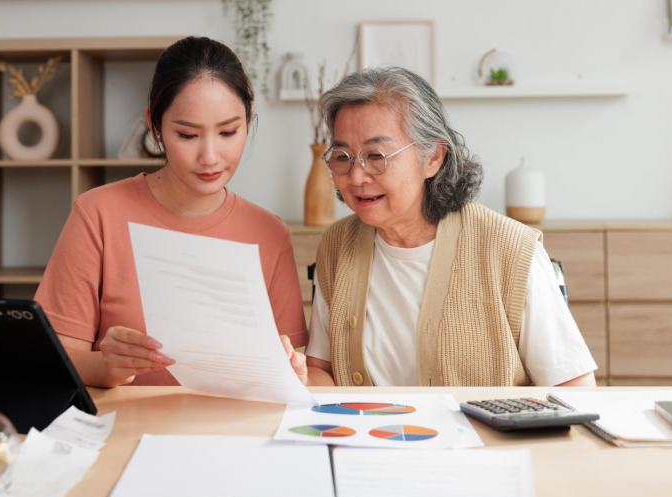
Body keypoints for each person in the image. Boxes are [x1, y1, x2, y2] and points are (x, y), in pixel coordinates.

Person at [286, 67, 597, 388]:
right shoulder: (338, 244)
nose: (355, 177)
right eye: (342, 157)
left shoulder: (510, 249)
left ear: (433, 158)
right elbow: (326, 373)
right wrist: (294, 376)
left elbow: (574, 389)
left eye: (375, 155)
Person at [34, 36, 308, 388]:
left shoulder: (270, 233)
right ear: (155, 125)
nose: (210, 157)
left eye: (228, 132)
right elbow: (53, 360)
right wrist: (105, 365)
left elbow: (291, 369)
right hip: (124, 422)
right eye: (188, 135)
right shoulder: (97, 214)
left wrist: (293, 372)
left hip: (234, 422)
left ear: (249, 117)